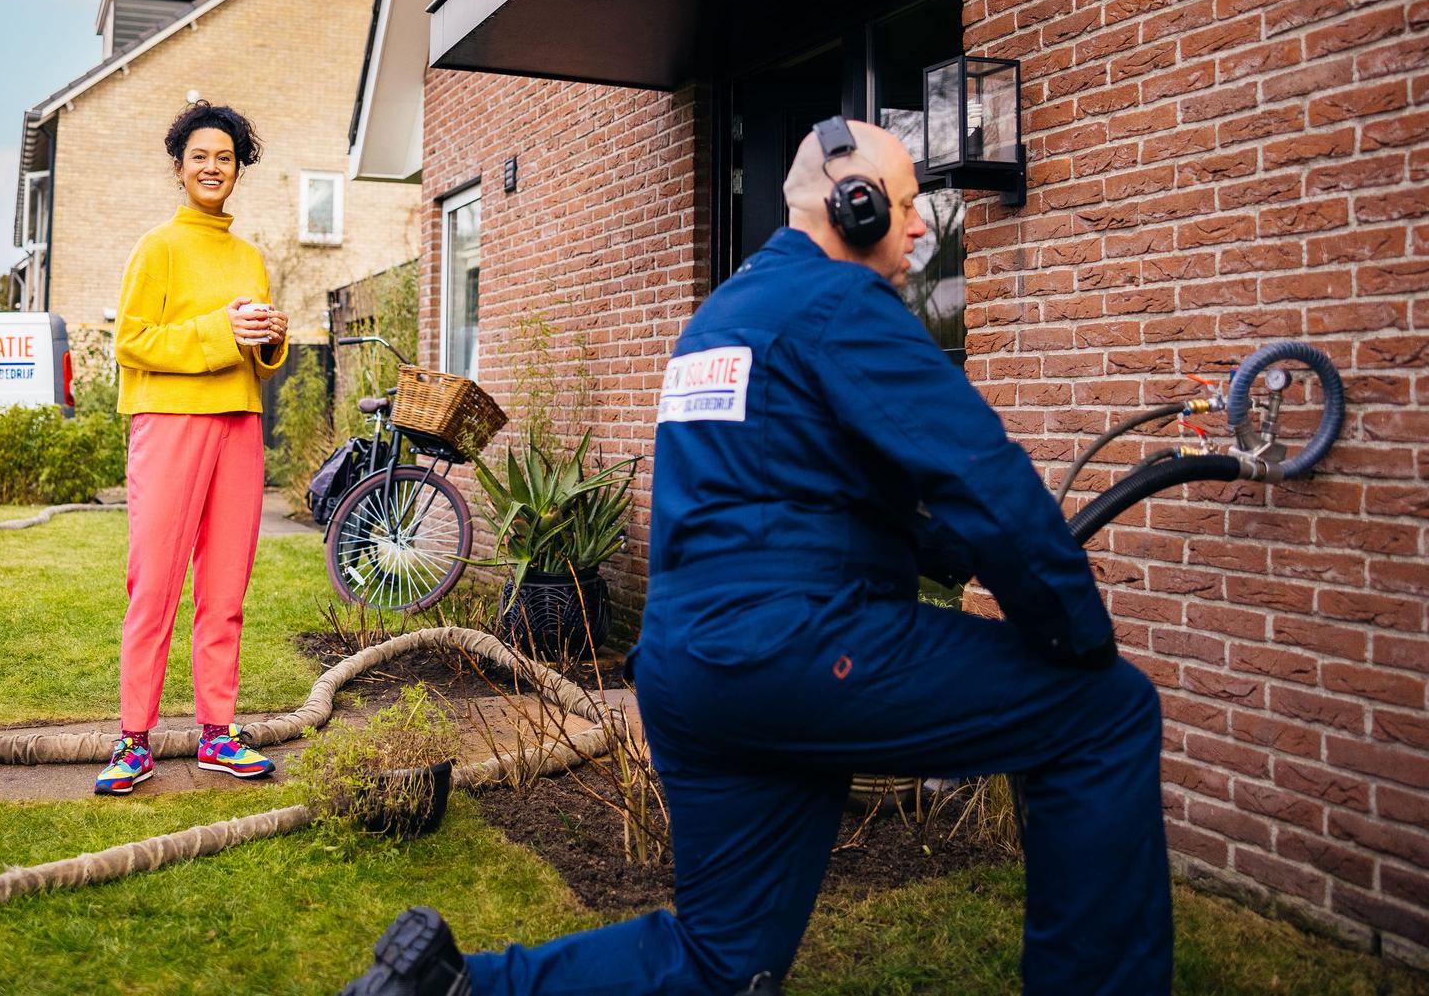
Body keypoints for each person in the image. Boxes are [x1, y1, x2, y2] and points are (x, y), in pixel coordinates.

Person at [342, 119, 1170, 995]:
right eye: (906, 203)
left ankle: (451, 988)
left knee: (721, 962)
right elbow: (980, 471)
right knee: (1104, 709)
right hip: (803, 649)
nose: (923, 225)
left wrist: (950, 553)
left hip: (694, 671)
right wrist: (1076, 633)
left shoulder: (719, 319)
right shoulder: (841, 304)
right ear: (852, 207)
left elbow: (815, 488)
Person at [93, 100, 291, 796]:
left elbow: (256, 359)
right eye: (201, 156)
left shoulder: (249, 256)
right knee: (155, 583)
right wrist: (219, 331)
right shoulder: (157, 247)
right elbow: (131, 341)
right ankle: (134, 739)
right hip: (168, 423)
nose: (214, 167)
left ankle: (217, 732)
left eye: (226, 158)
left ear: (239, 170)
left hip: (239, 424)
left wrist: (270, 337)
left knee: (226, 587)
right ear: (179, 168)